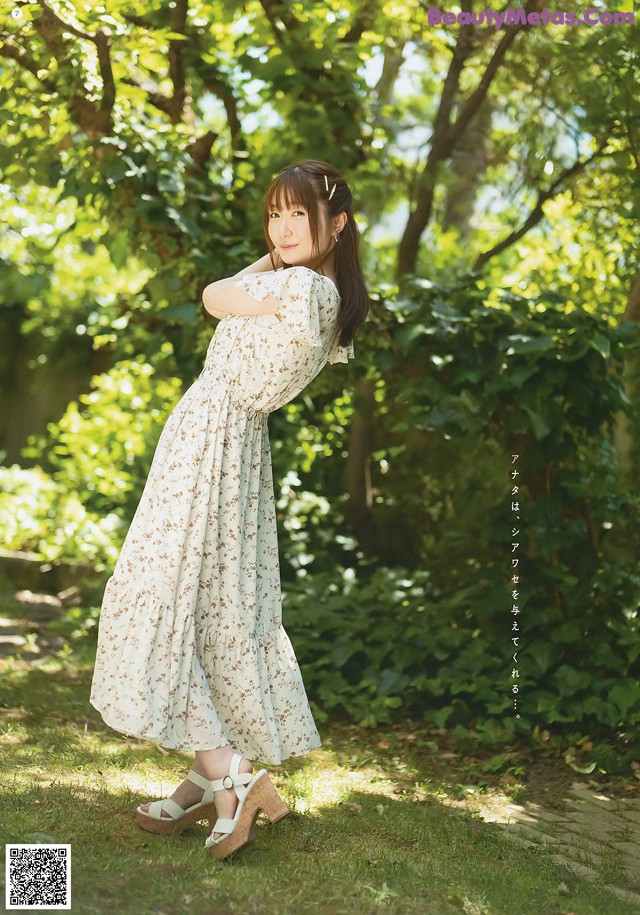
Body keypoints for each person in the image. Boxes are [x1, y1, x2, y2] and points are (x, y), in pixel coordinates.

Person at [89, 159, 369, 860]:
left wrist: (272, 264)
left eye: (298, 214)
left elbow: (215, 295)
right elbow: (239, 289)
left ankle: (232, 774)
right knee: (209, 612)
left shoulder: (300, 288)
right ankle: (206, 776)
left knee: (155, 600)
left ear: (336, 224)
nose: (281, 228)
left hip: (212, 441)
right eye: (274, 214)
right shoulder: (320, 290)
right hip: (228, 445)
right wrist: (283, 246)